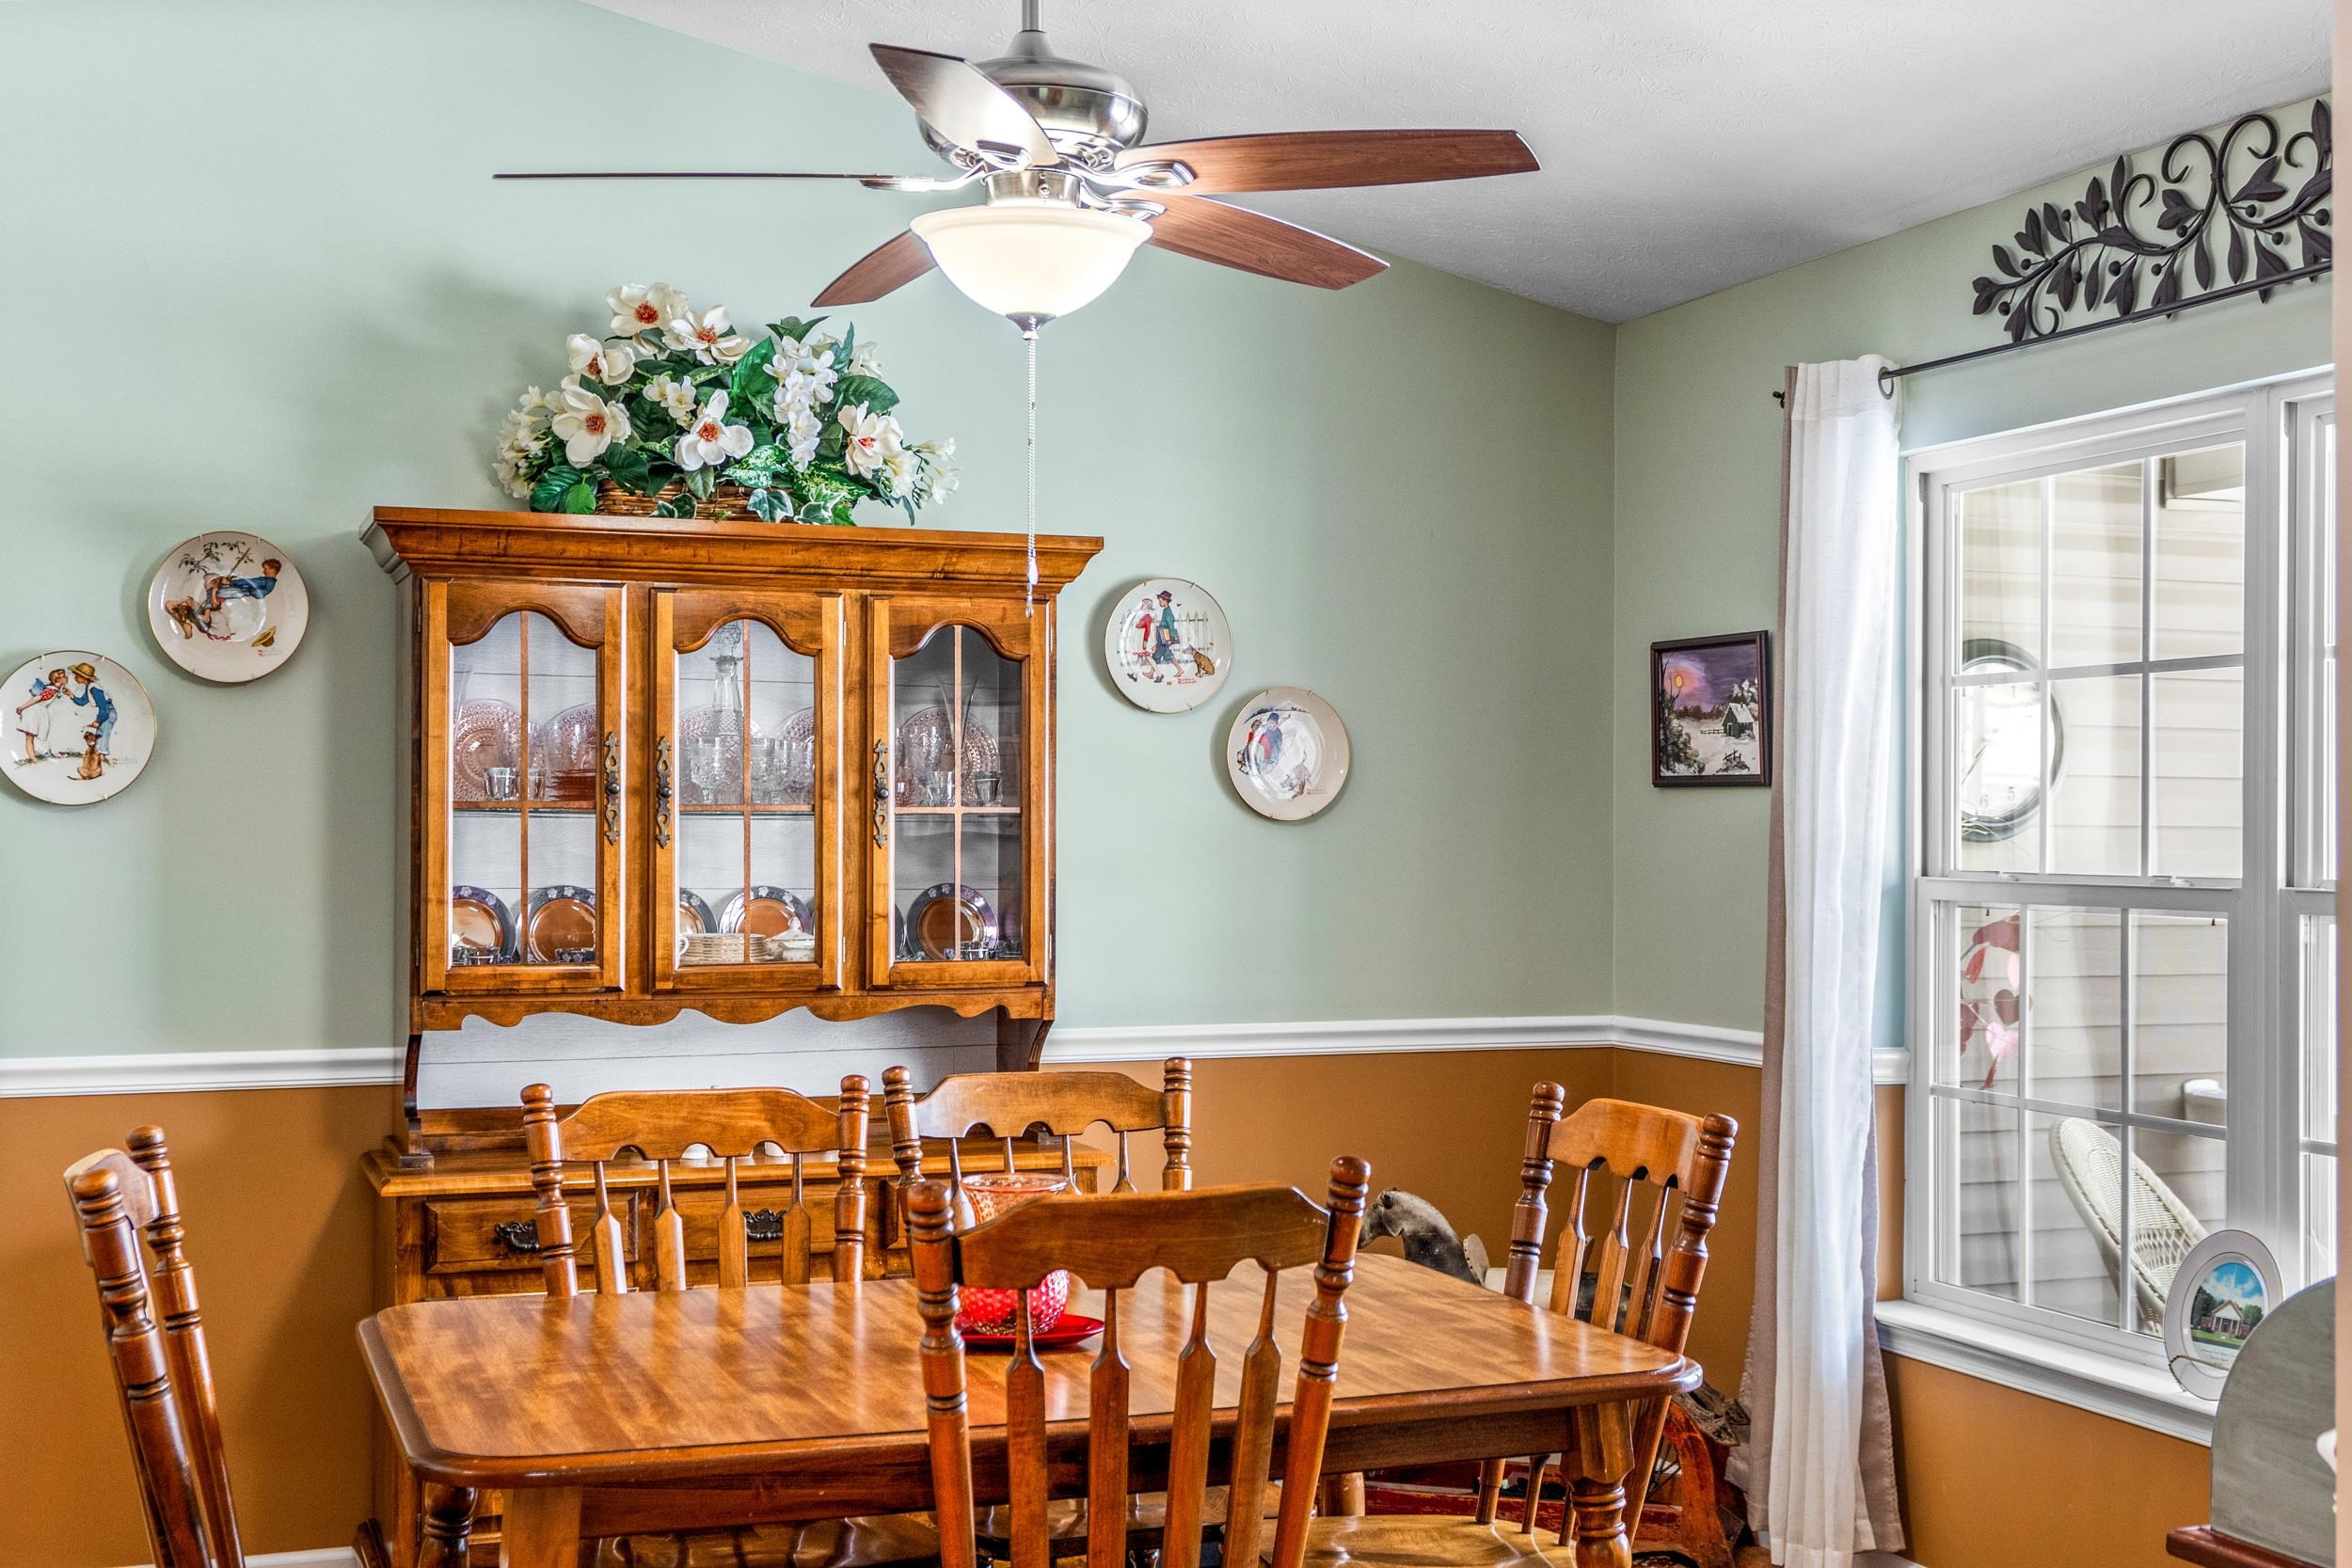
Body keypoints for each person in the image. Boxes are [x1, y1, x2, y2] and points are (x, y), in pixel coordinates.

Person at [14, 667, 69, 763]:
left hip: (39, 711)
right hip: (34, 712)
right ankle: (33, 758)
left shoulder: (54, 689)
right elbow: (36, 699)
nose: (67, 677)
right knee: (29, 736)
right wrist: (22, 707)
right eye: (64, 676)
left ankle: (33, 756)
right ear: (58, 679)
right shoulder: (51, 690)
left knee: (31, 736)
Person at [67, 662, 116, 766]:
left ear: (83, 677)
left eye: (77, 675)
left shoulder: (94, 688)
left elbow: (103, 706)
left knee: (103, 735)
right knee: (100, 735)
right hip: (105, 713)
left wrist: (98, 720)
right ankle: (99, 760)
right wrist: (71, 695)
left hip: (107, 712)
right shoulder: (89, 687)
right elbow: (83, 701)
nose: (75, 677)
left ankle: (103, 761)